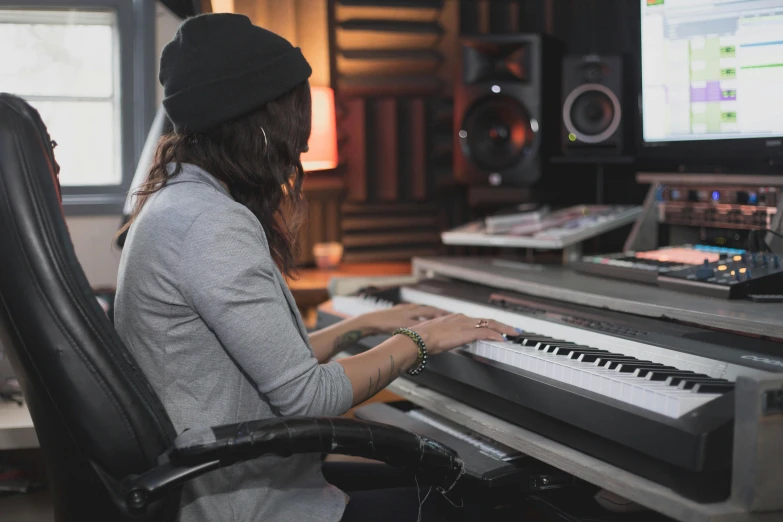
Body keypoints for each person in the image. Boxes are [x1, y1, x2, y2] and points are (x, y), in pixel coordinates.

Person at [114, 13, 515, 522]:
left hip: (237, 480)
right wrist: (422, 340)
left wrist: (364, 324)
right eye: (293, 120)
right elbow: (307, 396)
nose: (300, 145)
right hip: (246, 504)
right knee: (474, 503)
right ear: (258, 123)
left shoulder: (179, 203)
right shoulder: (209, 226)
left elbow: (273, 365)